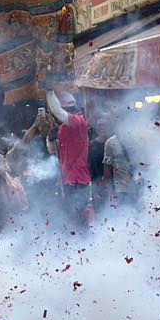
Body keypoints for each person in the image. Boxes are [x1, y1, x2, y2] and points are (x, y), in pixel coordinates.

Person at [45, 88, 91, 228]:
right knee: (70, 217)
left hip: (78, 179)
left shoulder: (79, 121)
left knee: (78, 217)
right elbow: (53, 151)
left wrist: (49, 91)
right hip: (67, 179)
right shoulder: (64, 128)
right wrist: (50, 138)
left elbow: (57, 110)